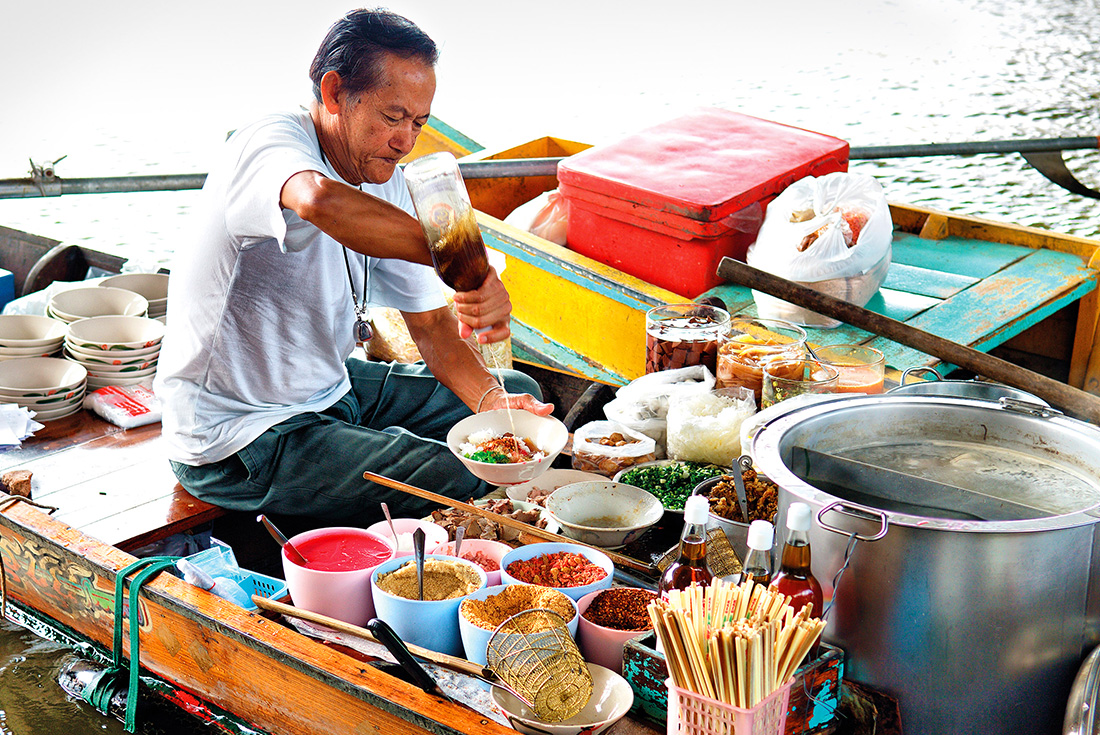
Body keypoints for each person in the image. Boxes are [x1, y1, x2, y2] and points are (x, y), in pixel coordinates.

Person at [154, 8, 552, 529]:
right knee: (458, 470)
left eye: (419, 123)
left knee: (521, 406)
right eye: (392, 118)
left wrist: (491, 399)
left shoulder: (386, 175)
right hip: (236, 436)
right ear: (334, 91)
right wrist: (467, 265)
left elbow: (432, 328)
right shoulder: (270, 141)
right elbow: (319, 201)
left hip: (330, 388)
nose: (406, 141)